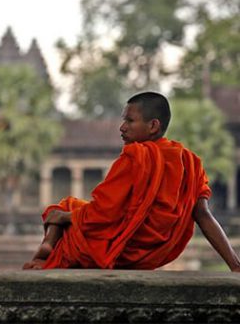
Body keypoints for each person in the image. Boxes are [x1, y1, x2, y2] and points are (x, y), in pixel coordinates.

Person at [24, 92, 240, 271]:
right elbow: (204, 215)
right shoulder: (190, 162)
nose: (122, 127)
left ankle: (46, 253)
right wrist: (234, 263)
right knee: (69, 212)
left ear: (153, 126)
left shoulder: (136, 156)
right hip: (151, 256)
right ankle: (48, 251)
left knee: (64, 207)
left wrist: (64, 217)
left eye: (130, 120)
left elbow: (103, 213)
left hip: (119, 250)